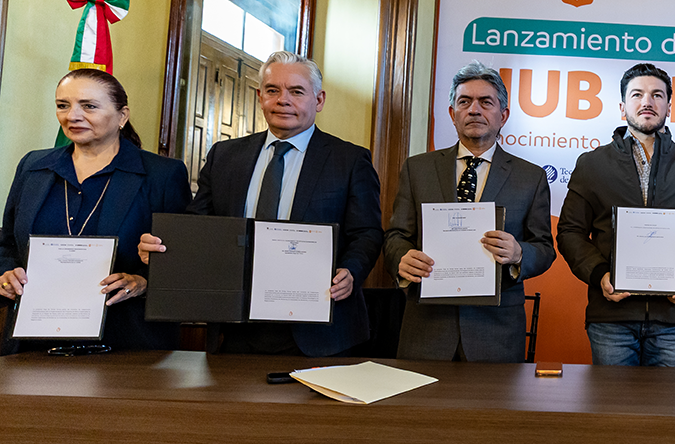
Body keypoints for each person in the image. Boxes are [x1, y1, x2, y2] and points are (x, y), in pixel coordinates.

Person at [140, 51, 382, 356]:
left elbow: (367, 232)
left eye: (296, 92)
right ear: (260, 97)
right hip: (236, 325)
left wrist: (351, 271)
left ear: (319, 100)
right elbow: (199, 227)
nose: (283, 100)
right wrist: (162, 247)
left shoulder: (349, 159)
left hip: (318, 328)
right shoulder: (224, 156)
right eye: (272, 90)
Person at [0, 68, 191, 352]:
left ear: (122, 116)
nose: (72, 116)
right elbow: (7, 244)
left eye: (89, 106)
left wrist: (143, 281)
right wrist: (5, 274)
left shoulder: (163, 174)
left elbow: (184, 259)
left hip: (126, 341)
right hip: (34, 340)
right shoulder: (33, 166)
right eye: (63, 105)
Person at [557, 62, 675, 367]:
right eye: (637, 94)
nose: (647, 101)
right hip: (611, 316)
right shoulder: (592, 164)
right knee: (613, 399)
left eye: (657, 95)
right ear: (622, 107)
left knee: (668, 399)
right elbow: (570, 231)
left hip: (674, 317)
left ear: (669, 106)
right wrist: (599, 275)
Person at [384, 62, 555, 361]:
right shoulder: (418, 169)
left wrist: (519, 254)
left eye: (485, 102)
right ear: (452, 114)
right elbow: (396, 236)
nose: (474, 110)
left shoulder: (531, 177)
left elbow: (544, 248)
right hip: (427, 328)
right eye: (464, 102)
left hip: (496, 332)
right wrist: (401, 257)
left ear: (503, 116)